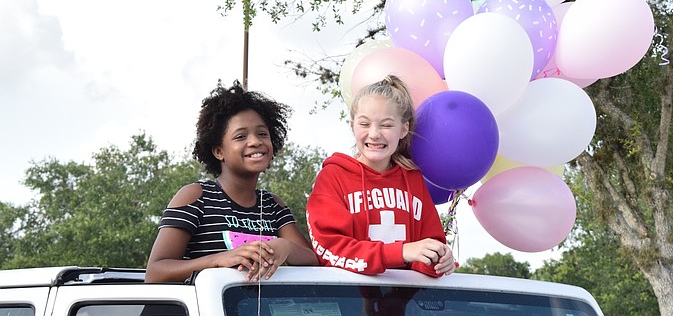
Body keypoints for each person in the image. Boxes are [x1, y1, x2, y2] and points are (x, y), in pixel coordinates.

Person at [145, 81, 318, 283]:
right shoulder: (196, 196)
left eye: (262, 133)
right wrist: (219, 260)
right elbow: (155, 272)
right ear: (219, 151)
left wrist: (285, 247)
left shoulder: (272, 205)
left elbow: (313, 260)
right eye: (240, 136)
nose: (255, 141)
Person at [306, 75, 456, 277]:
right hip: (349, 301)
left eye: (386, 125)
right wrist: (400, 251)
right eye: (364, 124)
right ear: (352, 126)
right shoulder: (333, 176)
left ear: (404, 129)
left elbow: (428, 249)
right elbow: (329, 249)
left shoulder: (413, 180)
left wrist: (438, 260)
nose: (374, 134)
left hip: (405, 303)